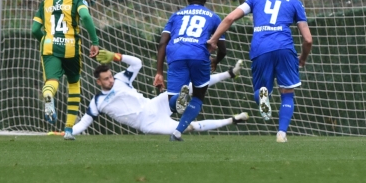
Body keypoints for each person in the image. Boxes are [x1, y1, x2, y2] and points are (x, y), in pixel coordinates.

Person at [208, 0, 312, 143]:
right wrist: (302, 58)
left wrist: (213, 39)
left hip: (260, 47)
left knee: (260, 90)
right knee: (287, 92)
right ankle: (281, 134)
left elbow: (229, 18)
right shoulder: (295, 2)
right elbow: (308, 39)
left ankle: (263, 94)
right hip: (284, 49)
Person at [72, 50, 247, 135]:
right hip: (148, 124)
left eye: (110, 76)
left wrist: (116, 57)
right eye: (106, 79)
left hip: (153, 104)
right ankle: (232, 120)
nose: (110, 80)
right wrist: (68, 131)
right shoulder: (96, 102)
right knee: (190, 127)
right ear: (98, 82)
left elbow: (137, 63)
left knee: (192, 86)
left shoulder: (121, 79)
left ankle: (230, 73)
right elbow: (83, 124)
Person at [31, 0, 100, 140]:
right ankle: (68, 130)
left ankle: (48, 95)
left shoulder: (46, 2)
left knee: (52, 81)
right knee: (74, 85)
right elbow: (86, 17)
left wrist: (46, 39)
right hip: (71, 48)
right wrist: (95, 41)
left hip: (50, 47)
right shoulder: (78, 1)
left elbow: (34, 30)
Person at [154, 0, 227, 142]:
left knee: (173, 105)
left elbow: (162, 43)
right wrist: (216, 61)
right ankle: (177, 132)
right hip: (199, 55)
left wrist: (159, 72)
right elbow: (223, 48)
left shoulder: (176, 15)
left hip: (176, 54)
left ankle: (180, 98)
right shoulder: (213, 17)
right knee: (199, 95)